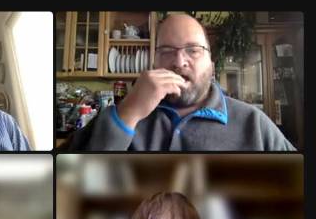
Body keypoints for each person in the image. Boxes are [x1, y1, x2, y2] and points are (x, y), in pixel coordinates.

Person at [70, 14, 295, 151]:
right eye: (167, 50)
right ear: (154, 62)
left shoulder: (255, 124)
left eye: (193, 50)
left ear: (211, 65)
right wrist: (128, 111)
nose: (178, 62)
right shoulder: (125, 113)